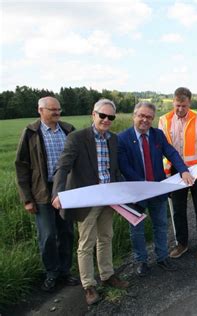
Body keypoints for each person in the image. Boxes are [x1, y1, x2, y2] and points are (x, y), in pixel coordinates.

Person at [51, 99, 128, 305]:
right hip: (87, 200)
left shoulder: (113, 139)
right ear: (93, 115)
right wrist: (58, 193)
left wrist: (124, 190)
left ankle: (107, 275)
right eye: (102, 115)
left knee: (106, 236)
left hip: (108, 198)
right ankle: (88, 285)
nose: (106, 120)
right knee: (86, 242)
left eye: (110, 117)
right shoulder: (77, 138)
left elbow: (114, 169)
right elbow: (63, 166)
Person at [118, 101, 194, 277]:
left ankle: (162, 257)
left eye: (149, 117)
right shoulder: (122, 138)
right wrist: (144, 186)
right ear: (134, 116)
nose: (145, 120)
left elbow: (172, 153)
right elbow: (124, 167)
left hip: (158, 190)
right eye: (141, 116)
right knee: (136, 229)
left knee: (161, 225)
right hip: (136, 192)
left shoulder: (158, 135)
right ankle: (141, 261)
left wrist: (183, 170)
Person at [15, 96, 79, 292]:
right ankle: (51, 272)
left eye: (59, 109)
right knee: (48, 235)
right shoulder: (30, 133)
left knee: (67, 233)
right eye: (53, 110)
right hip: (41, 192)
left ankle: (65, 271)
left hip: (66, 190)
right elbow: (21, 166)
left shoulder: (69, 130)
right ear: (40, 110)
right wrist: (27, 198)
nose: (57, 113)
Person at [158, 87, 197, 261]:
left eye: (184, 105)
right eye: (177, 105)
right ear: (173, 102)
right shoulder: (164, 120)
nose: (180, 109)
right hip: (175, 172)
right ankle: (182, 243)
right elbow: (162, 147)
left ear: (189, 103)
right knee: (178, 210)